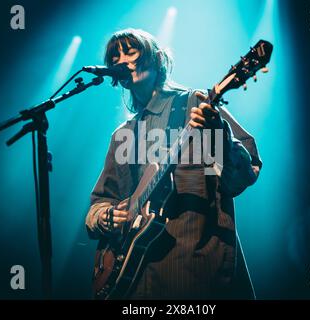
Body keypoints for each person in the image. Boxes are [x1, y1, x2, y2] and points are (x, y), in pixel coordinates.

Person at [85, 28, 262, 299]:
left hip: (192, 269)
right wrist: (105, 217)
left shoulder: (195, 103)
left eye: (130, 51)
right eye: (114, 57)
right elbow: (100, 202)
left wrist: (218, 131)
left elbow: (240, 177)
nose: (121, 60)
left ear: (156, 59)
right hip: (135, 280)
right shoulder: (122, 135)